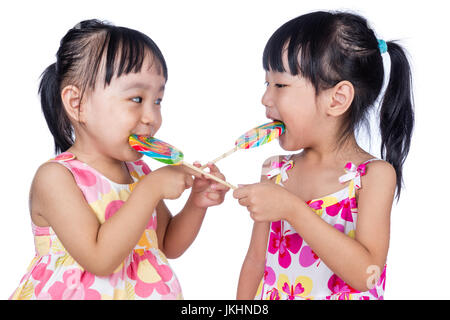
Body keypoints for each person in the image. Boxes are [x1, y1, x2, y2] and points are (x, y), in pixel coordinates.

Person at [10, 19, 229, 300]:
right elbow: (99, 259)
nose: (152, 117)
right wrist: (152, 187)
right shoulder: (56, 178)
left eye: (158, 100)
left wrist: (197, 203)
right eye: (137, 99)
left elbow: (165, 244)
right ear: (77, 104)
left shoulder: (139, 170)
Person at [234, 11, 413, 300]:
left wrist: (292, 209)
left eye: (280, 85)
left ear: (337, 99)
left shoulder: (373, 175)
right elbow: (256, 261)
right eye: (267, 84)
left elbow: (366, 274)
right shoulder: (275, 172)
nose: (265, 99)